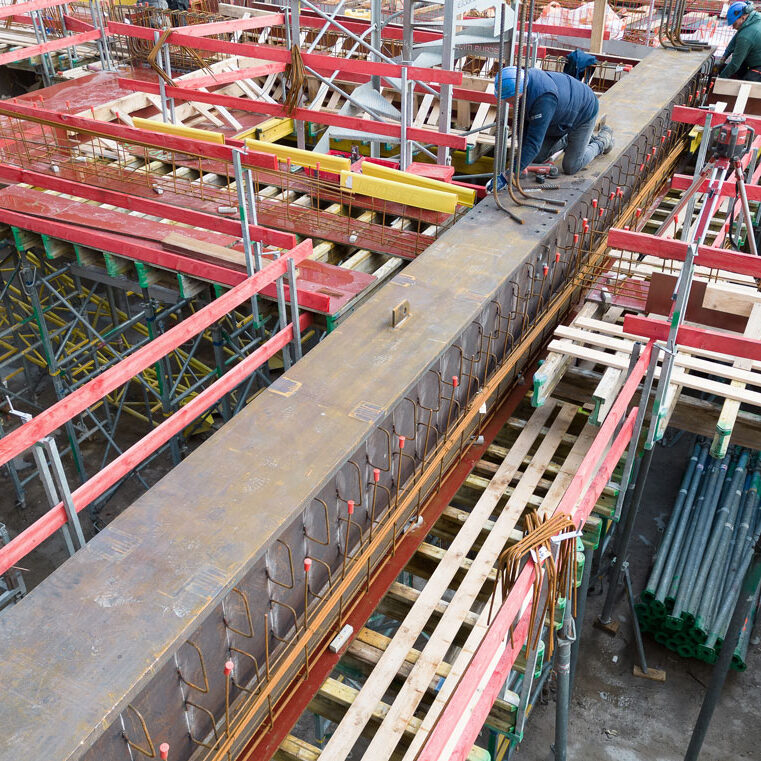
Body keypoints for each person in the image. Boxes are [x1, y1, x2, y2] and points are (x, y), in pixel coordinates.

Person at [487, 66, 614, 191]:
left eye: (508, 99)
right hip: (558, 118)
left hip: (583, 113)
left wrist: (507, 176)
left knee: (571, 165)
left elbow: (533, 143)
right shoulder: (523, 83)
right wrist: (520, 164)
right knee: (535, 158)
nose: (506, 102)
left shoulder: (544, 98)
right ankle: (573, 139)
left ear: (518, 93)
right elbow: (523, 124)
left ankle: (602, 141)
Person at [718, 2, 761, 80]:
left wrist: (720, 79)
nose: (733, 27)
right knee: (740, 69)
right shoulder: (754, 18)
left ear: (743, 18)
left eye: (734, 24)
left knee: (748, 81)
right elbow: (736, 37)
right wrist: (725, 55)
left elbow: (734, 64)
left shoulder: (746, 36)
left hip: (758, 65)